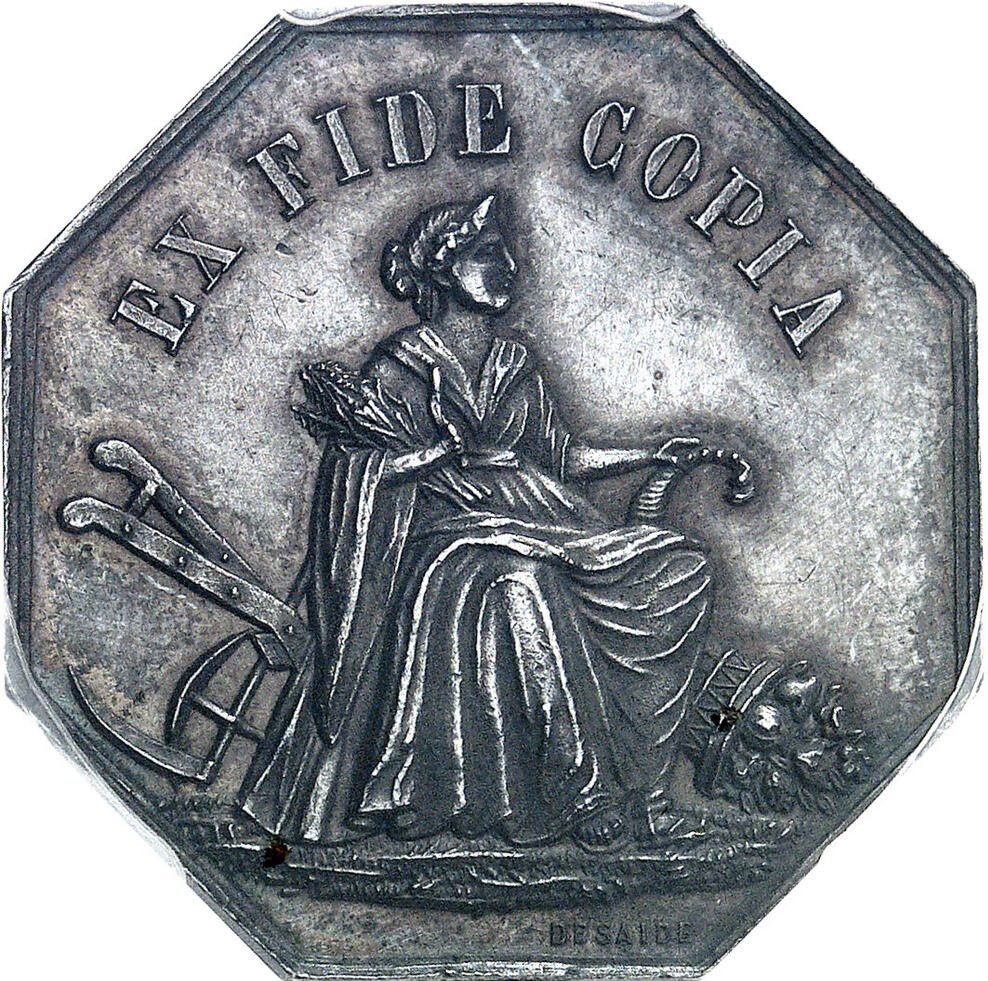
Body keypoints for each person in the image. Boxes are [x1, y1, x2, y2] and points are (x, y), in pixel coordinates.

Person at [240, 192, 711, 850]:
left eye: (506, 254)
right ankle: (582, 789)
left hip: (542, 517)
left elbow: (563, 455)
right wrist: (433, 456)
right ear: (442, 267)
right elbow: (359, 473)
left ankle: (647, 784)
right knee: (521, 582)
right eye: (488, 255)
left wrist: (650, 456)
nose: (508, 267)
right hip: (439, 545)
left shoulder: (514, 364)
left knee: (680, 570)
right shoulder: (401, 365)